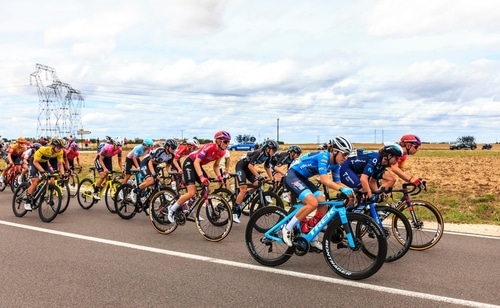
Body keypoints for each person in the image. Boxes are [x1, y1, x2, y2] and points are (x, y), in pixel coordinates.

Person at [281, 136, 355, 251]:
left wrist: (352, 190)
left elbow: (338, 182)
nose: (346, 158)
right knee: (312, 203)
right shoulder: (324, 157)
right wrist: (341, 190)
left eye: (347, 155)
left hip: (303, 179)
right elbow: (325, 180)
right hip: (293, 175)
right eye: (344, 154)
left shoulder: (336, 164)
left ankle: (313, 236)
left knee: (323, 204)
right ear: (335, 151)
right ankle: (287, 228)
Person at [165, 131, 230, 223]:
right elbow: (196, 162)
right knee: (191, 192)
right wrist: (201, 177)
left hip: (198, 166)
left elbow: (216, 166)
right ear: (218, 141)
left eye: (228, 142)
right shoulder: (209, 147)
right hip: (190, 163)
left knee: (207, 189)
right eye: (226, 142)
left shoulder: (222, 153)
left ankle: (192, 210)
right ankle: (171, 209)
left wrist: (219, 177)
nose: (227, 144)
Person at [233, 139, 279, 224]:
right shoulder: (260, 152)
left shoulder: (268, 156)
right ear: (268, 148)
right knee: (243, 188)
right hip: (241, 167)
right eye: (273, 150)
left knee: (257, 184)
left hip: (248, 169)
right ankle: (234, 212)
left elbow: (267, 167)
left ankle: (245, 198)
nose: (274, 152)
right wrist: (258, 176)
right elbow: (250, 166)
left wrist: (272, 179)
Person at [339, 144, 404, 201]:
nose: (398, 161)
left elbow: (372, 182)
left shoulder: (382, 164)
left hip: (352, 170)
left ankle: (353, 212)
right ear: (389, 156)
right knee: (361, 191)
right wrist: (370, 196)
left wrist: (378, 194)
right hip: (345, 167)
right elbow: (363, 179)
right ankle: (339, 211)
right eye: (396, 158)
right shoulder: (376, 159)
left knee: (365, 193)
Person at [24, 138, 66, 211]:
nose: (60, 149)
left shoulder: (60, 152)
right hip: (34, 162)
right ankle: (27, 201)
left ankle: (43, 194)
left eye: (61, 147)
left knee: (52, 180)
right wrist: (43, 172)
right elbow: (35, 162)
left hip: (44, 163)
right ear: (53, 146)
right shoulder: (44, 149)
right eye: (59, 147)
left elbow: (60, 164)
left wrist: (62, 174)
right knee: (35, 181)